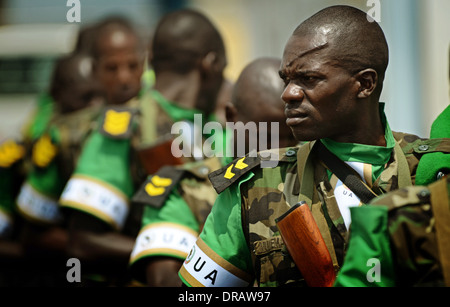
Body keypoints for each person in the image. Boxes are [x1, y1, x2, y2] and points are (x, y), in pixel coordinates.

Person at [178, 5, 450, 287]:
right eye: (287, 79)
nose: (288, 94)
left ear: (365, 84)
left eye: (308, 79)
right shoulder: (254, 185)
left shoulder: (435, 170)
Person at [59, 9, 228, 286]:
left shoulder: (213, 128)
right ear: (211, 64)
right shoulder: (128, 127)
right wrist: (172, 253)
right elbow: (83, 242)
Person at [128, 58, 298, 286]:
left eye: (293, 135)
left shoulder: (313, 177)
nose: (281, 149)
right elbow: (163, 280)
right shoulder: (185, 189)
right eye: (267, 134)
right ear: (232, 117)